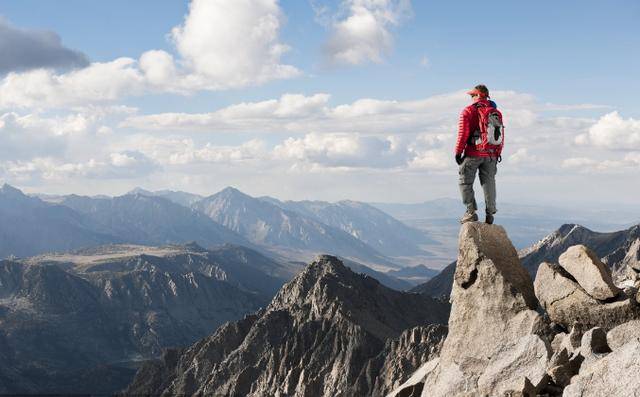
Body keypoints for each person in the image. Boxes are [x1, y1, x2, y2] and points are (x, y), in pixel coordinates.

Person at [454, 84, 504, 224]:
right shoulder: (495, 112)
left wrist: (458, 152)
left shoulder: (468, 111)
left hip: (473, 153)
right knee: (489, 183)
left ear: (477, 96)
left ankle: (471, 212)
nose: (471, 98)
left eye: (472, 95)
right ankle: (490, 214)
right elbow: (500, 135)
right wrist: (497, 153)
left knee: (465, 181)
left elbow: (463, 133)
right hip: (491, 154)